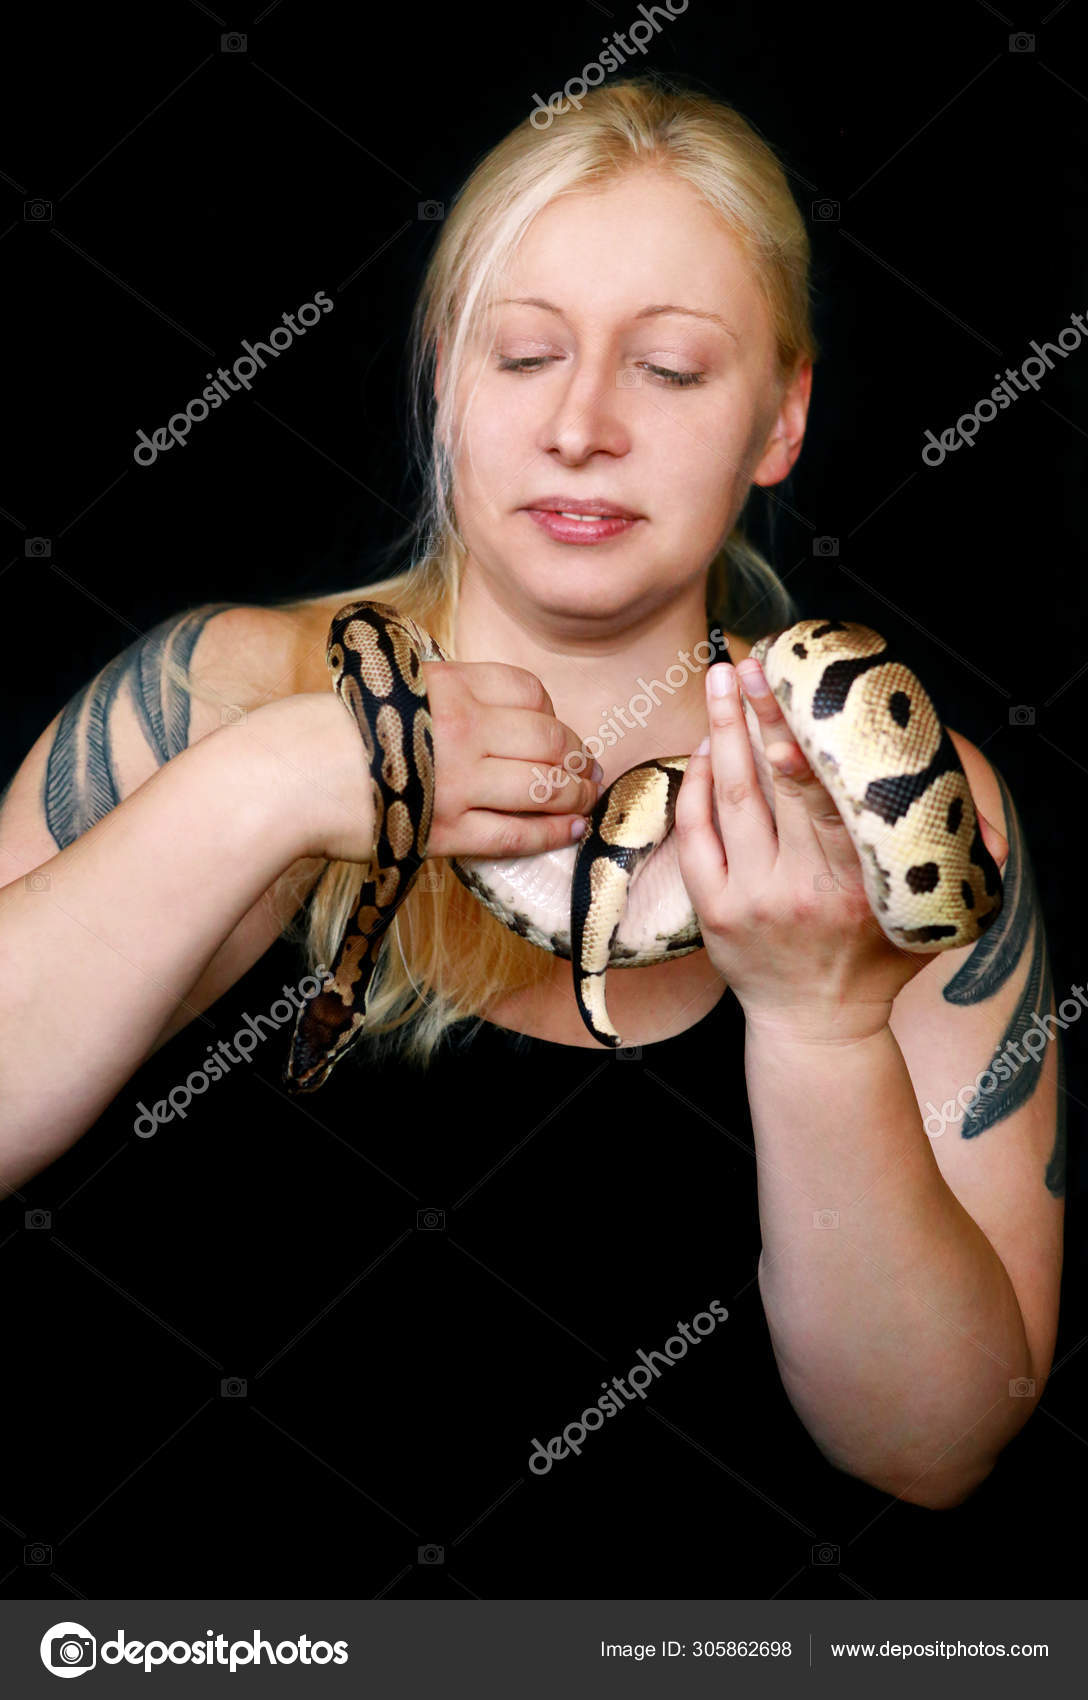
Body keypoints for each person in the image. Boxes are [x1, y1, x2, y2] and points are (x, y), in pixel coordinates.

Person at [0, 75, 1063, 1596]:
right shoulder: (212, 697)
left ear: (784, 419)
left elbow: (940, 1447)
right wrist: (285, 781)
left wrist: (826, 1034)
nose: (581, 427)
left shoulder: (908, 807)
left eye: (674, 370)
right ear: (444, 381)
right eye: (525, 354)